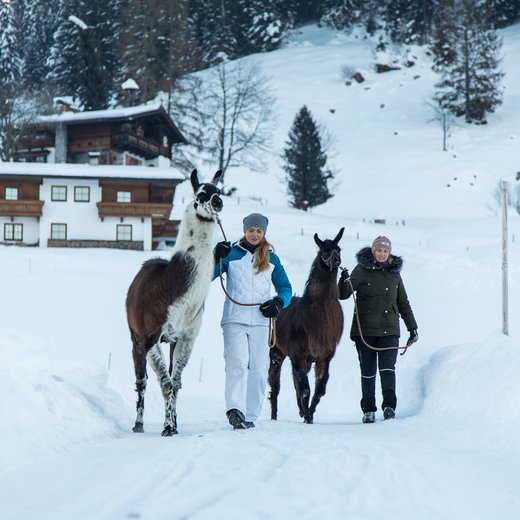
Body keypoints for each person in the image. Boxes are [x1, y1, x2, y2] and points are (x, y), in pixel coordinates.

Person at [213, 213, 292, 430]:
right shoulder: (231, 254)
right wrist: (215, 257)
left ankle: (250, 415)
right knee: (236, 364)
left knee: (258, 367)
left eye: (259, 230)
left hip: (260, 320)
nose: (255, 234)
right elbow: (209, 275)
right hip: (234, 319)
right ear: (245, 230)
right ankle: (234, 410)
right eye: (251, 230)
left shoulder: (272, 259)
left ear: (264, 233)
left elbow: (286, 288)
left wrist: (278, 303)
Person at [338, 235, 418, 423]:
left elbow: (403, 303)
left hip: (390, 329)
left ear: (389, 253)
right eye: (378, 250)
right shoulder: (361, 270)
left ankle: (389, 407)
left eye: (385, 251)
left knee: (387, 370)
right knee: (368, 371)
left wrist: (412, 328)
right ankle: (368, 409)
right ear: (373, 252)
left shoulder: (394, 274)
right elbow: (344, 295)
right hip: (364, 331)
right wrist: (343, 281)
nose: (382, 254)